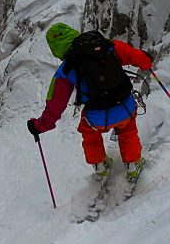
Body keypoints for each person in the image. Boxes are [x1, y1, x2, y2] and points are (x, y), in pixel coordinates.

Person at [27, 23, 153, 182]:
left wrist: (39, 126)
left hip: (96, 117)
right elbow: (138, 58)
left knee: (90, 134)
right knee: (128, 130)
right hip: (125, 107)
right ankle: (133, 165)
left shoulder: (66, 70)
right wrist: (146, 61)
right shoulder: (107, 46)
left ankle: (100, 167)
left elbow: (55, 105)